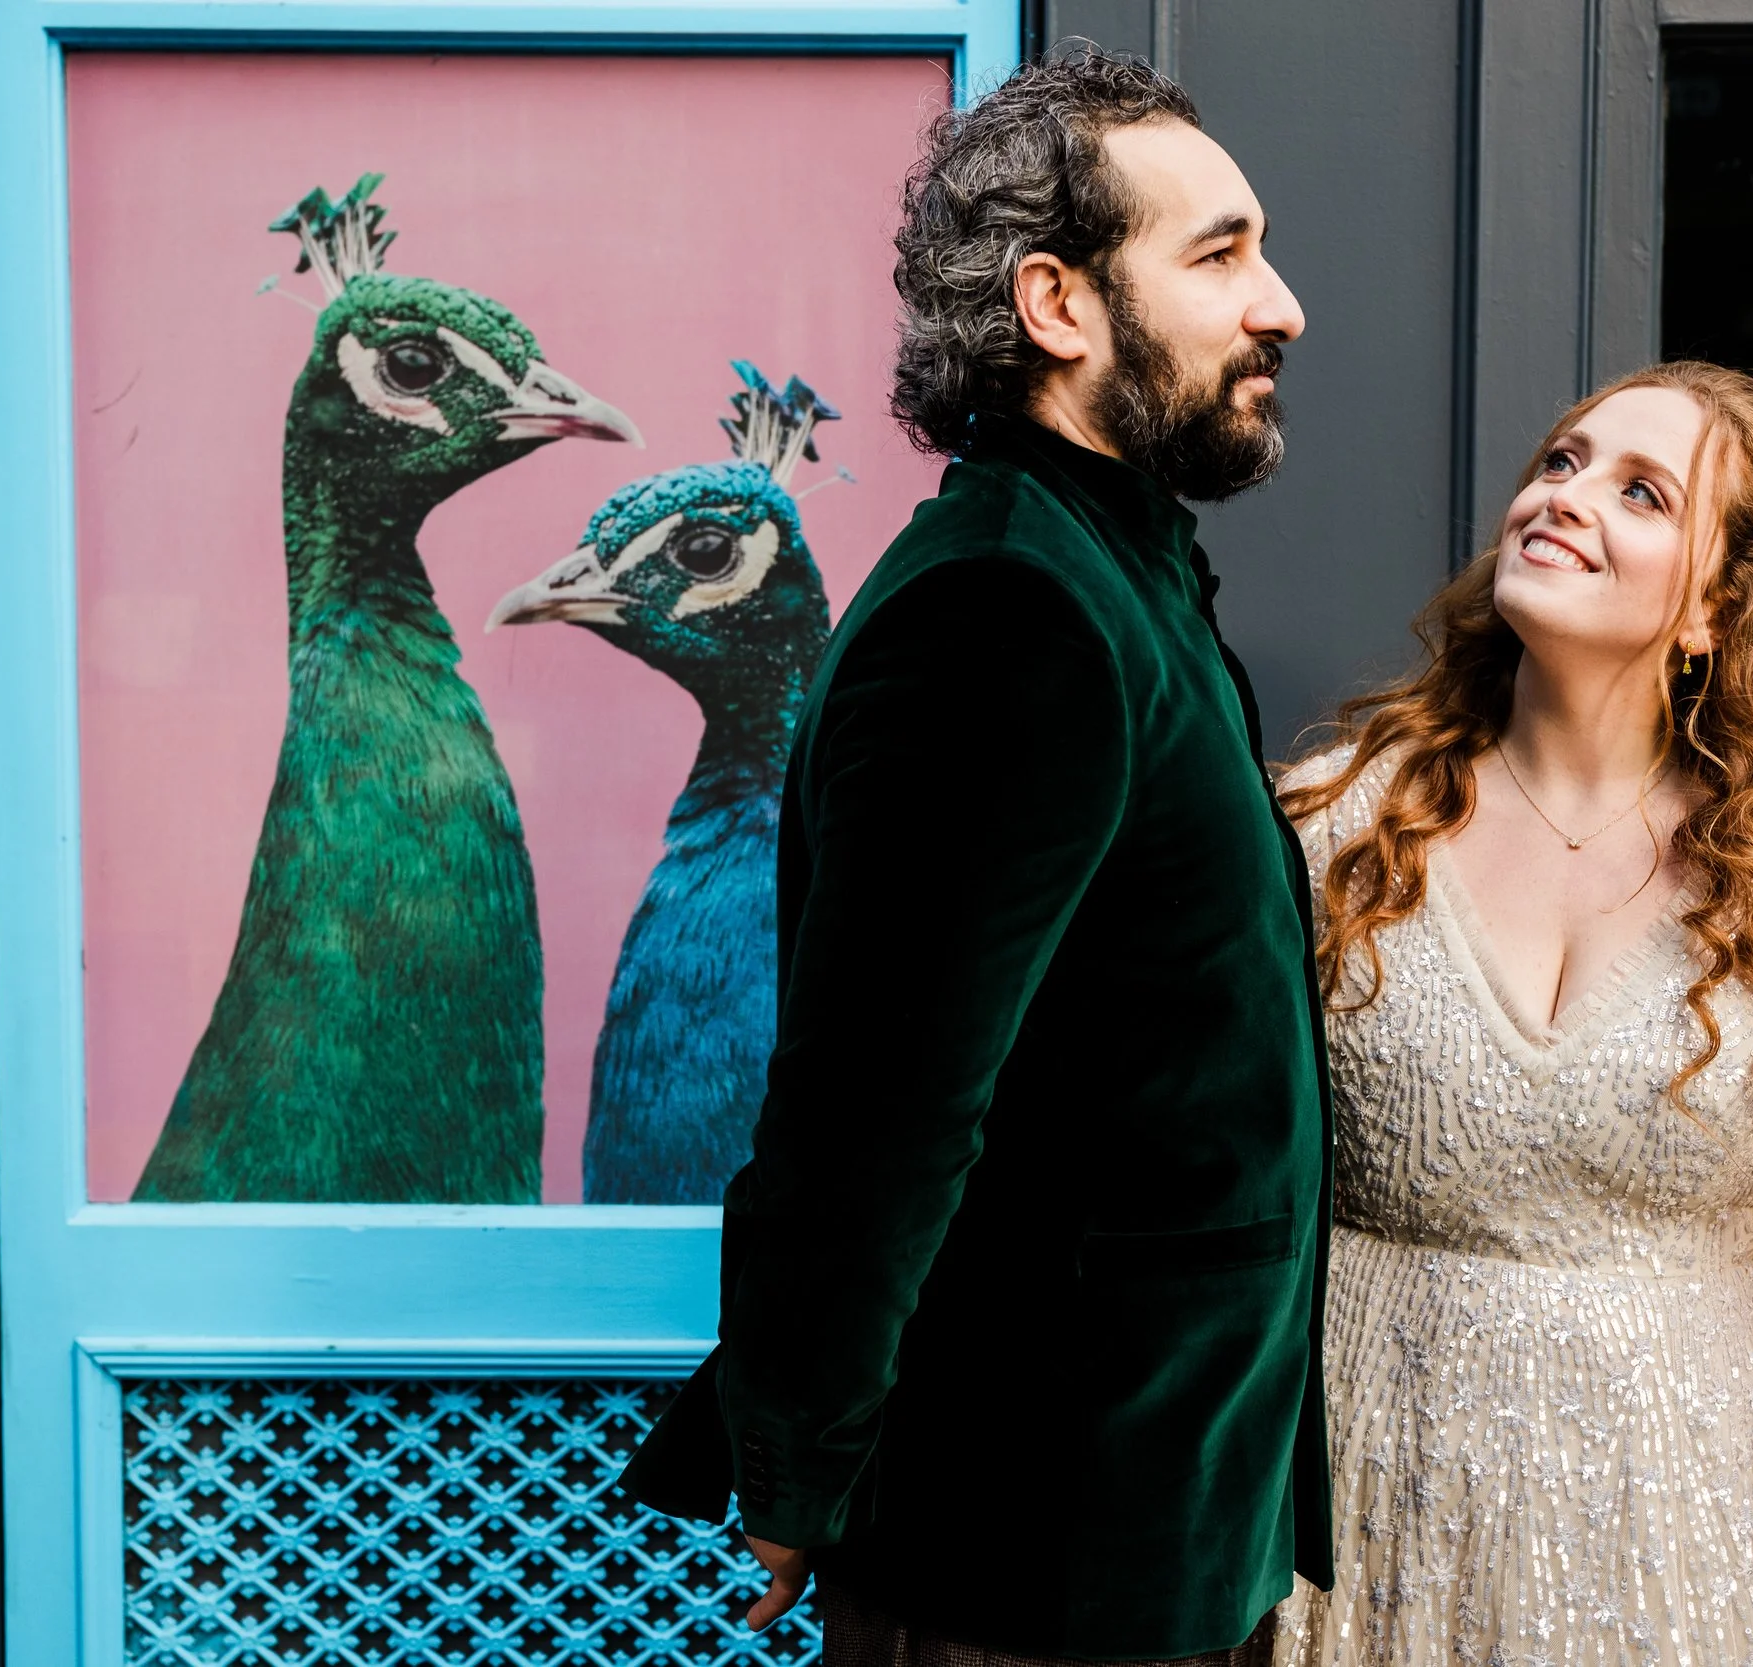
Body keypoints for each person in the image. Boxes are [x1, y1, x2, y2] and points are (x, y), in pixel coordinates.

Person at [618, 43, 1335, 1667]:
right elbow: (872, 1111)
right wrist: (797, 1462)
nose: (1279, 304)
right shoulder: (1007, 608)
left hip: (1152, 1542)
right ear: (1058, 303)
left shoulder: (1118, 571)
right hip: (1038, 1566)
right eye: (1218, 254)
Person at [1275, 360, 1753, 1667]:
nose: (1566, 497)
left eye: (1639, 490)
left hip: (1685, 1533)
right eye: (1560, 461)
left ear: (1716, 605)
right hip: (1379, 1513)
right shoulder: (1331, 825)